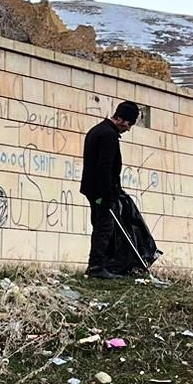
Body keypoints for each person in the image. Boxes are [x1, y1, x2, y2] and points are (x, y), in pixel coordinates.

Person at [81, 99, 141, 279]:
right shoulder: (109, 135)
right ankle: (97, 266)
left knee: (100, 225)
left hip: (93, 190)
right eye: (129, 124)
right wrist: (106, 196)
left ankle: (100, 265)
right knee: (105, 226)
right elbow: (104, 168)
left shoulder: (98, 130)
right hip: (100, 193)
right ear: (121, 119)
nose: (128, 129)